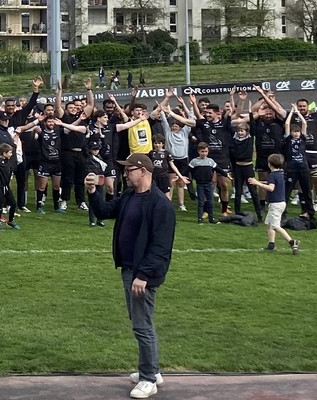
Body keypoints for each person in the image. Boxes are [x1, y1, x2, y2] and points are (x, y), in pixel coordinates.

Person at [86, 153, 175, 399]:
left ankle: (148, 378)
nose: (125, 174)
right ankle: (152, 370)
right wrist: (93, 191)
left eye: (129, 170)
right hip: (129, 270)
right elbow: (104, 211)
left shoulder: (160, 205)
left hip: (142, 274)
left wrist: (143, 275)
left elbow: (160, 247)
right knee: (140, 322)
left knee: (141, 325)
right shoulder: (129, 196)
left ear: (143, 171)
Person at [247, 154, 300, 254]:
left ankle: (292, 242)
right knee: (271, 224)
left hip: (276, 204)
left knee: (275, 226)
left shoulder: (272, 175)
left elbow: (271, 188)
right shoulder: (280, 173)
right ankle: (271, 245)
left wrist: (257, 183)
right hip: (281, 203)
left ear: (269, 164)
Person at [189, 143, 218, 224]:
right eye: (202, 151)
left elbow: (218, 169)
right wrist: (180, 176)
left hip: (209, 184)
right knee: (201, 202)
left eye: (205, 151)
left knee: (210, 202)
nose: (204, 153)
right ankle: (200, 219)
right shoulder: (194, 161)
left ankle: (211, 219)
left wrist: (226, 175)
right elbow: (187, 170)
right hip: (200, 185)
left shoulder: (210, 161)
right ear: (198, 151)